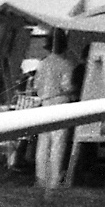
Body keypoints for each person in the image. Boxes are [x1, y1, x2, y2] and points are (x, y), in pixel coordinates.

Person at [35, 29, 78, 188]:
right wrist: (74, 89)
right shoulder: (67, 64)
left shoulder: (43, 63)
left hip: (45, 103)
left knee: (43, 142)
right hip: (60, 103)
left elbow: (36, 85)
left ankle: (40, 177)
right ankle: (54, 179)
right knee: (58, 143)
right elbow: (66, 86)